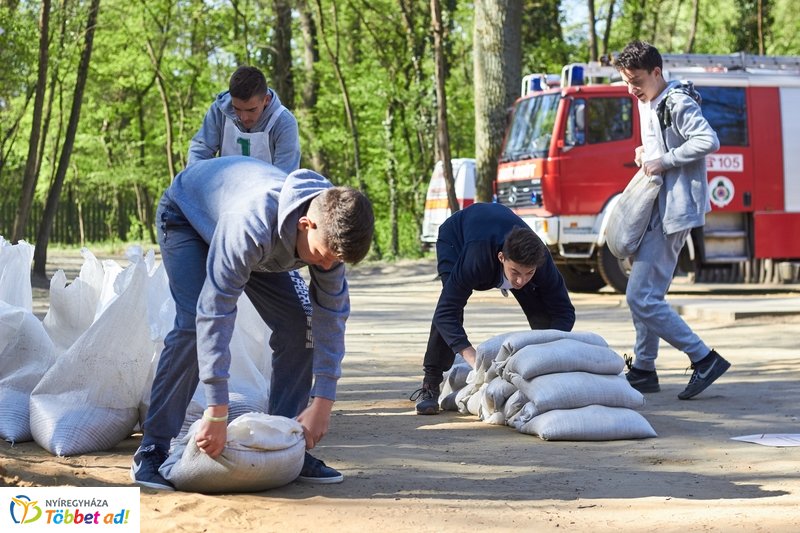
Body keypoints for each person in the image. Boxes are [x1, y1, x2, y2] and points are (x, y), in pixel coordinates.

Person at [130, 156, 374, 490]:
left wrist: (323, 402)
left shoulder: (330, 229)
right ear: (306, 225)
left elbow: (331, 318)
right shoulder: (252, 223)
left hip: (258, 243)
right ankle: (153, 447)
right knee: (191, 325)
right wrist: (217, 410)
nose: (328, 265)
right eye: (325, 255)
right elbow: (215, 311)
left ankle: (287, 442)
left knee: (299, 324)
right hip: (188, 218)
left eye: (337, 260)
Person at [614, 40, 730, 400]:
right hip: (656, 206)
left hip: (672, 210)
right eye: (626, 81)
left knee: (641, 296)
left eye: (636, 80)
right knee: (647, 292)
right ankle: (645, 369)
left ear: (656, 72)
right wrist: (647, 153)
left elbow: (708, 140)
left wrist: (663, 160)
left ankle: (704, 358)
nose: (631, 88)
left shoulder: (676, 101)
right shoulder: (649, 101)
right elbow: (661, 145)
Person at [411, 202, 576, 415]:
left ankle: (540, 378)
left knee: (542, 311)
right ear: (501, 258)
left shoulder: (540, 262)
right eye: (515, 271)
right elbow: (445, 313)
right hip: (457, 239)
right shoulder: (476, 258)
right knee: (451, 304)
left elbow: (564, 311)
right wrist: (473, 359)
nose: (520, 280)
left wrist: (548, 352)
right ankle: (430, 383)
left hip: (498, 239)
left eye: (529, 273)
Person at [187, 65, 300, 173]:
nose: (243, 117)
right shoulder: (219, 111)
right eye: (236, 108)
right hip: (224, 188)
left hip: (268, 191)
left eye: (251, 110)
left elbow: (285, 176)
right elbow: (200, 152)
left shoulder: (284, 123)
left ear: (266, 100)